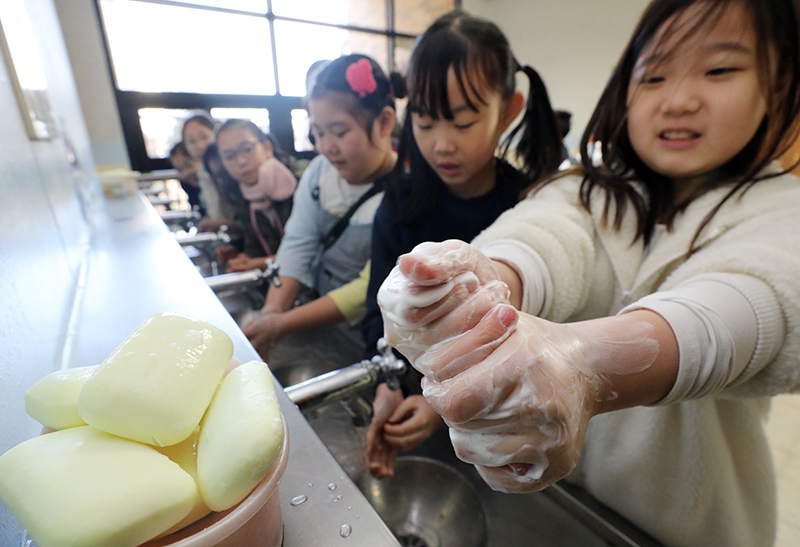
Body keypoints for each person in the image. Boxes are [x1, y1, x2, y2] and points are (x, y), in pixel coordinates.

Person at [375, 1, 800, 546]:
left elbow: (751, 304)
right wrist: (476, 282)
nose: (679, 99)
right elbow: (548, 234)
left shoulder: (782, 212)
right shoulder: (589, 186)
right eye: (654, 75)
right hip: (565, 507)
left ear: (780, 83)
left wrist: (585, 364)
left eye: (720, 70)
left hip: (690, 528)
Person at [362, 10, 564, 479]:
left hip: (504, 419)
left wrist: (442, 405)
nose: (441, 144)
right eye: (426, 122)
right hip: (412, 402)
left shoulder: (529, 211)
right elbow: (377, 314)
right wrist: (389, 384)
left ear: (508, 111)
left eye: (464, 122)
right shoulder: (399, 206)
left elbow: (528, 333)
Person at [243, 54, 399, 370]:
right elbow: (298, 243)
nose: (327, 146)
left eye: (339, 132)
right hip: (315, 323)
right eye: (319, 132)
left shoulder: (405, 192)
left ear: (383, 123)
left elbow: (366, 290)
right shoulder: (318, 173)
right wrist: (272, 312)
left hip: (374, 340)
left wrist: (280, 325)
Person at [215, 120, 296, 273]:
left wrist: (260, 262)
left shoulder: (298, 184)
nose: (241, 161)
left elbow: (311, 251)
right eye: (229, 156)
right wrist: (243, 257)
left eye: (246, 149)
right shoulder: (241, 197)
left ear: (267, 148)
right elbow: (255, 247)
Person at [182, 114, 236, 231]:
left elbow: (245, 220)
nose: (200, 146)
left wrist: (215, 223)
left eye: (204, 137)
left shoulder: (229, 169)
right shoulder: (202, 172)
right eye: (191, 141)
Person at [168, 141, 203, 213]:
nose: (185, 173)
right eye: (179, 170)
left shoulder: (219, 183)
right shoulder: (187, 184)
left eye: (188, 165)